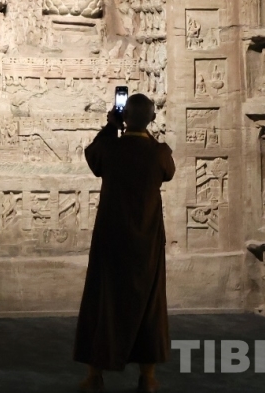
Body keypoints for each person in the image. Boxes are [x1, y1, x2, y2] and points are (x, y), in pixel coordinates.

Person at [74, 93, 176, 393]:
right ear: (153, 119)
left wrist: (111, 127)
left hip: (112, 236)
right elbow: (168, 172)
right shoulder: (158, 152)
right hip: (147, 238)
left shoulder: (110, 148)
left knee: (102, 301)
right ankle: (148, 377)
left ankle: (95, 376)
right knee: (149, 304)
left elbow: (93, 157)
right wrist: (141, 130)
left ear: (123, 116)